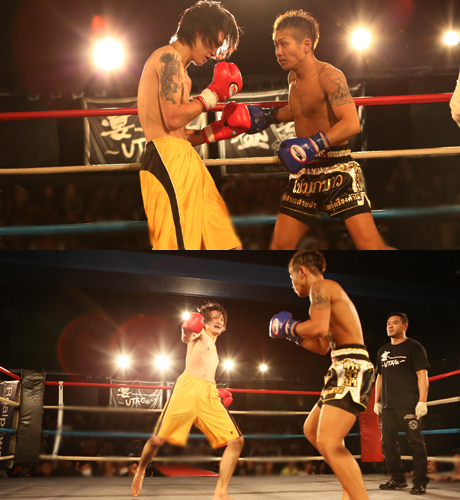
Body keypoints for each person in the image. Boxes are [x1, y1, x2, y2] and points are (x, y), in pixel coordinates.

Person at [229, 10, 391, 250]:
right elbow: (300, 110)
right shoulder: (292, 78)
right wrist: (269, 117)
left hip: (337, 170)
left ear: (306, 45)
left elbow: (351, 123)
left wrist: (314, 144)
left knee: (371, 248)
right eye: (276, 45)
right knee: (280, 247)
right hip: (305, 173)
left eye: (284, 44)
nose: (278, 52)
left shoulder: (330, 76)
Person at [137, 1, 247, 250]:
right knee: (178, 248)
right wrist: (213, 95)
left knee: (227, 245)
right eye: (214, 43)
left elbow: (178, 133)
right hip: (166, 161)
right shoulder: (167, 58)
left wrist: (216, 131)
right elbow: (173, 119)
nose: (215, 52)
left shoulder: (182, 73)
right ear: (198, 31)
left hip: (185, 158)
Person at [269, 250, 375, 500]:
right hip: (340, 366)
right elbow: (322, 346)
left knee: (328, 441)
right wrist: (293, 336)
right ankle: (348, 493)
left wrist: (288, 326)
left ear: (302, 271)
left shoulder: (321, 287)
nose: (292, 284)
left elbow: (317, 327)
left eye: (291, 277)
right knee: (312, 429)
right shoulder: (324, 295)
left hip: (351, 365)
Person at [131, 301, 244, 499]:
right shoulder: (199, 333)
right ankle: (140, 471)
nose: (219, 320)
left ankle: (220, 493)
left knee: (236, 441)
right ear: (205, 321)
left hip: (208, 393)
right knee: (157, 440)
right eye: (214, 317)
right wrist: (188, 328)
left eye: (222, 318)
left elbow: (206, 370)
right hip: (187, 389)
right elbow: (187, 336)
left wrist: (215, 390)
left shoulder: (215, 348)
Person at [374, 312, 430, 495]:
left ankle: (420, 481)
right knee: (387, 443)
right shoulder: (383, 350)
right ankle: (397, 478)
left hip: (408, 404)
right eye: (388, 323)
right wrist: (376, 401)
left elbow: (422, 375)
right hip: (388, 406)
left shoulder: (414, 347)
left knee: (416, 442)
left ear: (405, 326)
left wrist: (422, 401)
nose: (390, 326)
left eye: (395, 323)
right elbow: (379, 377)